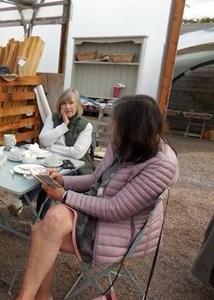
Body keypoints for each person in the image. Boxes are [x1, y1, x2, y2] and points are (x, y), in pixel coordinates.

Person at [16, 94, 179, 300]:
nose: (111, 124)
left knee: (46, 227)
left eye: (116, 120)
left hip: (121, 230)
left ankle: (30, 297)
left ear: (133, 126)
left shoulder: (160, 164)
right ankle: (36, 297)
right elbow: (95, 179)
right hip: (99, 212)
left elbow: (115, 208)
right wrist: (63, 181)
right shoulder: (122, 145)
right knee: (47, 225)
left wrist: (65, 196)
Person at [9, 88, 94, 218]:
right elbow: (43, 139)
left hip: (74, 166)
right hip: (50, 161)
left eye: (71, 103)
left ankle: (23, 203)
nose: (67, 107)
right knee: (42, 174)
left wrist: (51, 148)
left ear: (77, 104)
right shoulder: (53, 118)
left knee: (50, 177)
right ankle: (40, 217)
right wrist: (64, 125)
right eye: (63, 103)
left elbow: (76, 153)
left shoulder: (86, 126)